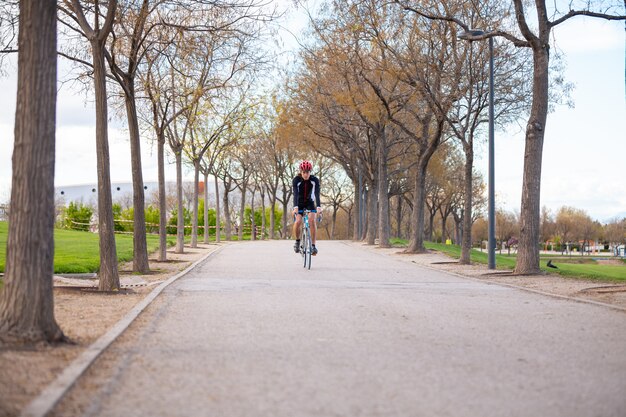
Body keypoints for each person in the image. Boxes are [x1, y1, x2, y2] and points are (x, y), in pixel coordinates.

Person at [292, 160, 322, 255]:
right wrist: (295, 207)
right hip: (299, 202)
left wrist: (318, 207)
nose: (306, 174)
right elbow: (295, 194)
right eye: (304, 172)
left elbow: (317, 194)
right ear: (301, 172)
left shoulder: (314, 180)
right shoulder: (296, 180)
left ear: (310, 172)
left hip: (309, 202)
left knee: (312, 220)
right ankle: (297, 241)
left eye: (308, 172)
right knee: (298, 221)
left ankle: (313, 246)